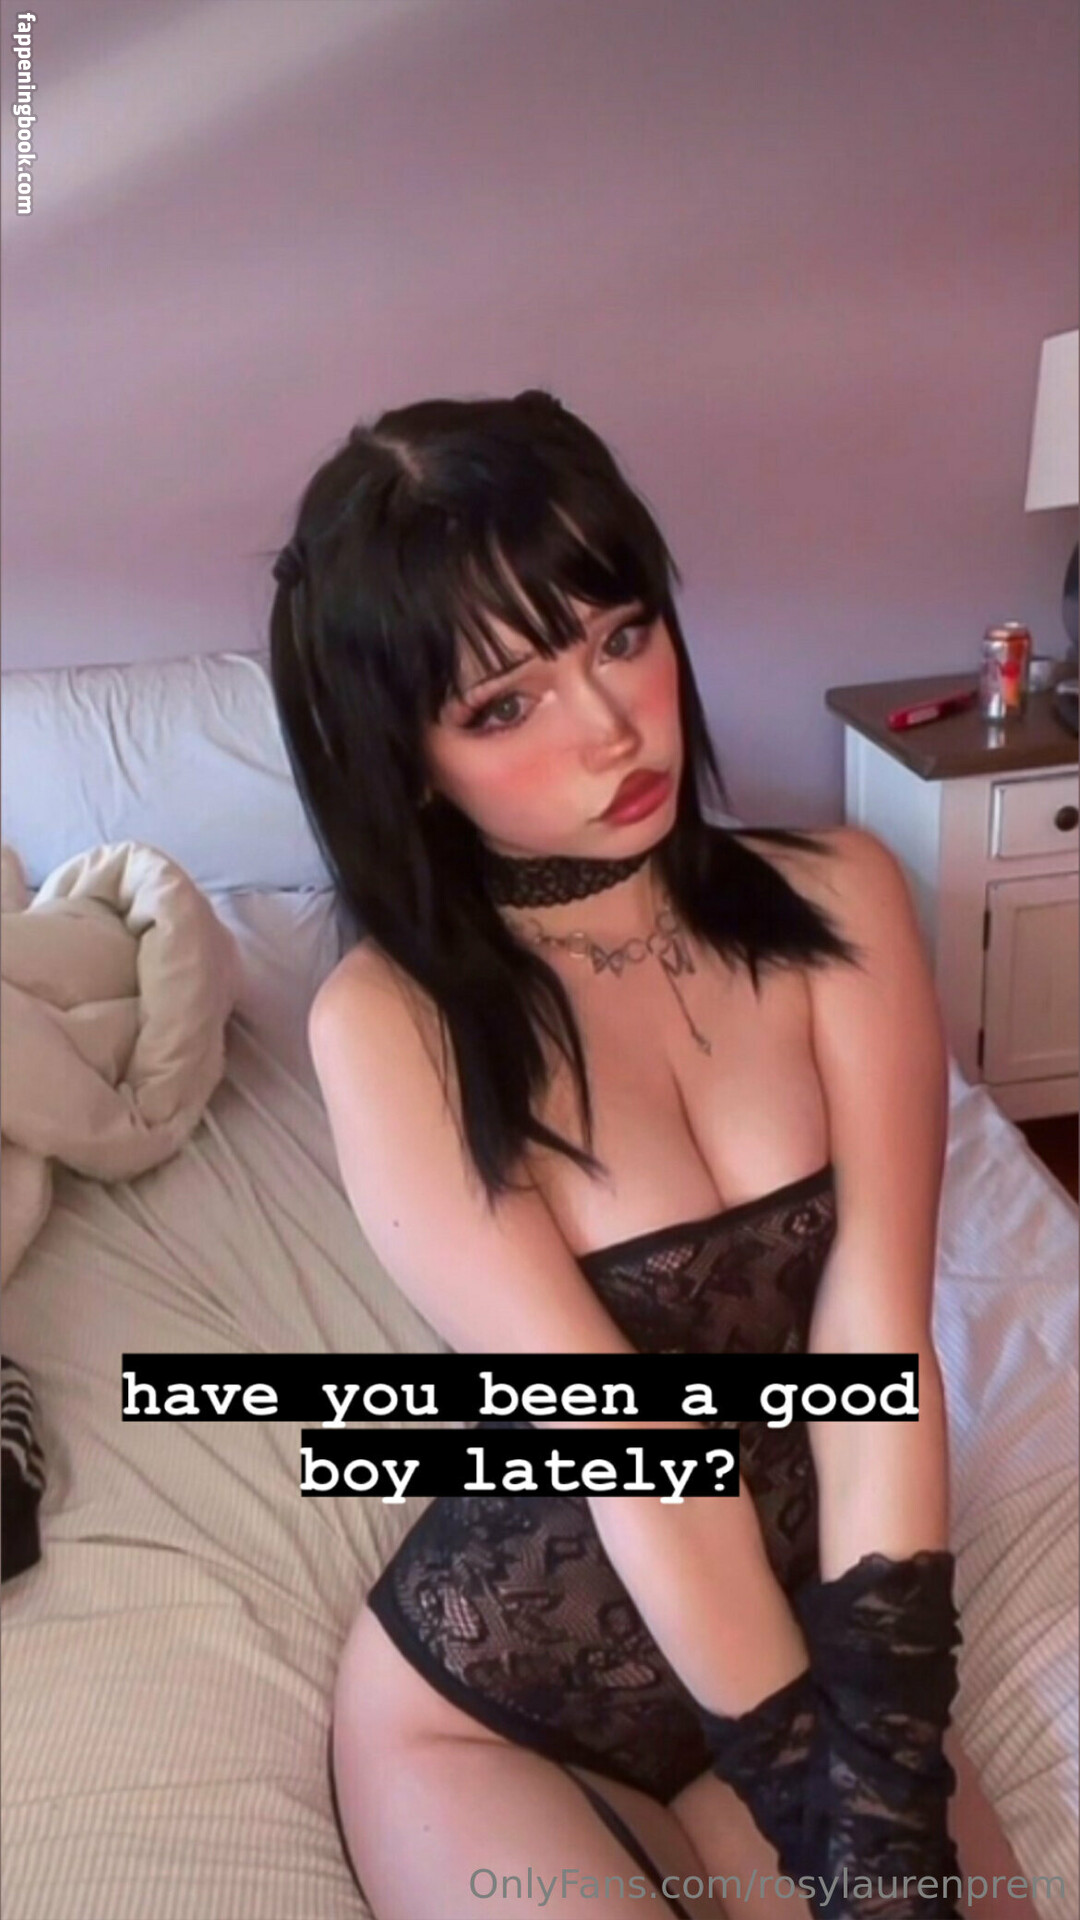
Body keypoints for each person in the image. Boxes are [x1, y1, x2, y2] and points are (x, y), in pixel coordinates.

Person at [267, 391, 1036, 1920]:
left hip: (819, 1625)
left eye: (619, 636)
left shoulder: (844, 898)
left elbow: (878, 1337)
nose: (611, 728)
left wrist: (880, 1784)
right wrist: (815, 1806)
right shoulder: (390, 1025)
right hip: (514, 1697)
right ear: (409, 760)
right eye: (505, 707)